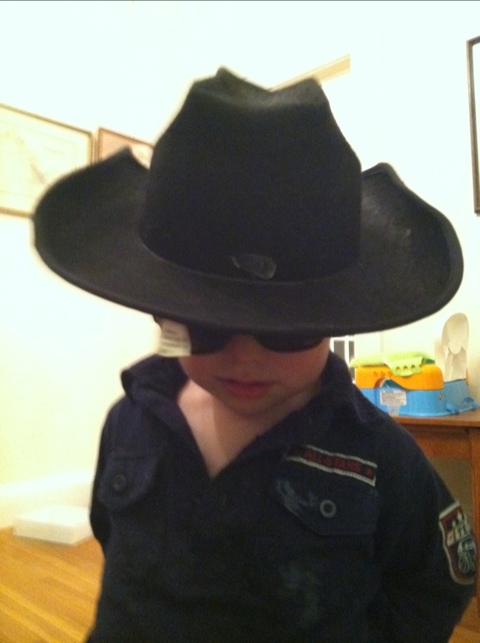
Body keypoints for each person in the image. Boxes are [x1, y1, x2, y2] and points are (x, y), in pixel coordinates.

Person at [33, 68, 476, 642]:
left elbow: (437, 579)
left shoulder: (376, 455)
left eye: (288, 332)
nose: (244, 359)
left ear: (335, 321)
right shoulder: (130, 421)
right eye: (204, 327)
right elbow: (115, 539)